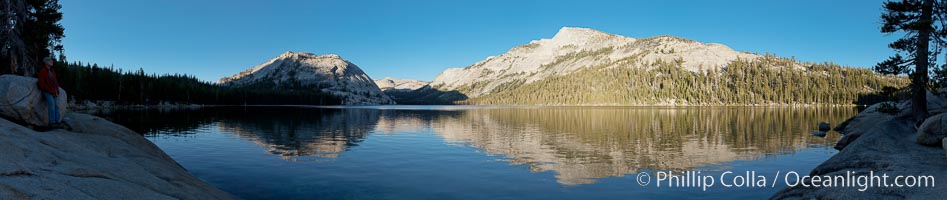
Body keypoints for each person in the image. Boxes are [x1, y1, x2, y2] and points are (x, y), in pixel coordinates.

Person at [37, 56, 62, 128]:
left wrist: (57, 90)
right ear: (46, 62)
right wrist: (49, 90)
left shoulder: (52, 70)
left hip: (54, 92)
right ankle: (52, 122)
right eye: (50, 61)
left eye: (52, 61)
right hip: (47, 92)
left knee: (56, 106)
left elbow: (55, 81)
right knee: (52, 106)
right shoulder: (43, 71)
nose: (52, 62)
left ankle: (58, 121)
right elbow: (41, 83)